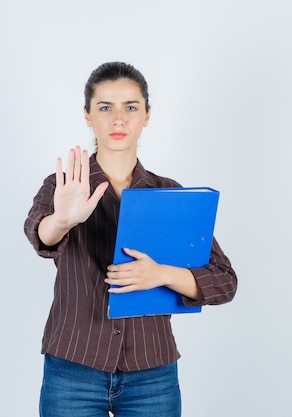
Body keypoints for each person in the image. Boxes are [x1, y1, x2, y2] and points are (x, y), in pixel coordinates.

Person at [24, 62, 237, 417]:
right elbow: (41, 236)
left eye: (131, 107)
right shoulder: (64, 185)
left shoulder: (170, 194)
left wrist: (162, 275)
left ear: (147, 115)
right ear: (88, 116)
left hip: (152, 375)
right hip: (73, 370)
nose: (118, 119)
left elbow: (225, 281)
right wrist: (62, 220)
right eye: (105, 107)